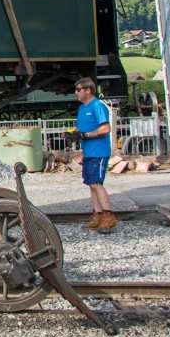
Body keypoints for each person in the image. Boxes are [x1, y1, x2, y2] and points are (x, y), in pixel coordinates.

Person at [65, 77, 117, 233]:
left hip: (99, 151)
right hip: (89, 152)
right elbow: (83, 131)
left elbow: (105, 129)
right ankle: (97, 214)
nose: (76, 92)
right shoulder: (82, 109)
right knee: (91, 184)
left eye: (79, 89)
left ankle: (108, 215)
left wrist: (86, 136)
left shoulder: (97, 106)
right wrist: (74, 135)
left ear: (88, 90)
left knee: (96, 184)